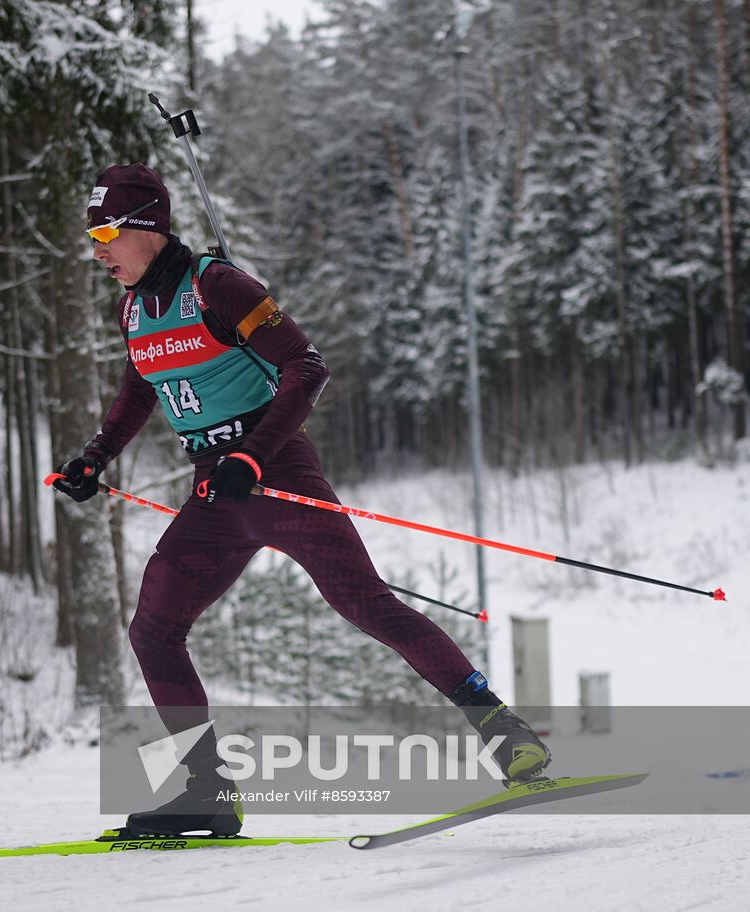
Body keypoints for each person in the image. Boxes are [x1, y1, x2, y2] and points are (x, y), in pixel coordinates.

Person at [51, 163, 550, 838]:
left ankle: (505, 732)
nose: (97, 248)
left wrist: (252, 454)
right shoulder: (133, 307)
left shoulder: (216, 285)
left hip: (275, 469)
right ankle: (204, 792)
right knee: (152, 629)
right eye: (91, 234)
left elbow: (307, 366)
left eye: (107, 231)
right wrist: (95, 456)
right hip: (215, 487)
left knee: (364, 603)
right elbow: (141, 386)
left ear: (151, 228)